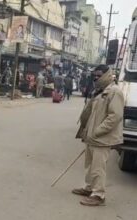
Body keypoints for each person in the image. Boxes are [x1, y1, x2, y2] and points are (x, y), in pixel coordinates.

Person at [74, 64, 124, 206]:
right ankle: (89, 188)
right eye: (95, 75)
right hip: (91, 137)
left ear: (107, 75)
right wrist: (87, 131)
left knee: (98, 167)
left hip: (102, 138)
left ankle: (98, 195)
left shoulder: (114, 92)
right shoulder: (99, 91)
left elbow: (115, 116)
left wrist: (97, 131)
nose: (96, 78)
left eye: (99, 75)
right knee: (89, 166)